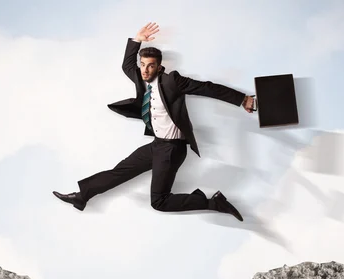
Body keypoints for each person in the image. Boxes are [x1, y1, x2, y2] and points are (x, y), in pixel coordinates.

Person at [53, 22, 255, 222]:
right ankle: (82, 196)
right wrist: (137, 40)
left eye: (150, 66)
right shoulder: (141, 78)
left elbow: (208, 88)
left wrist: (242, 99)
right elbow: (127, 65)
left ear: (159, 66)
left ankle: (213, 203)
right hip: (157, 145)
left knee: (159, 201)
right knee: (120, 171)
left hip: (172, 149)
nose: (145, 70)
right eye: (143, 65)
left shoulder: (172, 81)